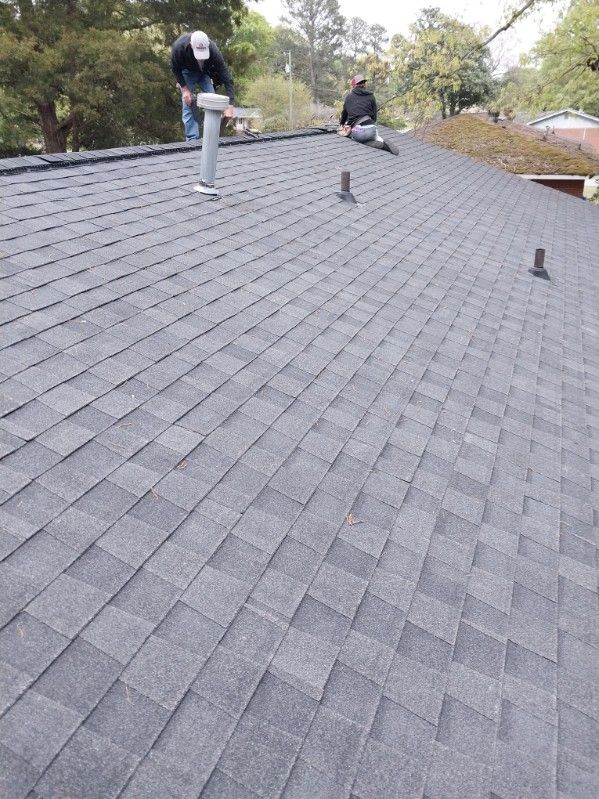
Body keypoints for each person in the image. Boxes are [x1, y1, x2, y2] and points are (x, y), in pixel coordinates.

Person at [171, 30, 236, 141]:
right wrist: (185, 89)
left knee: (213, 100)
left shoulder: (213, 49)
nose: (201, 57)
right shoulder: (179, 47)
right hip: (187, 72)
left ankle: (212, 136)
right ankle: (192, 140)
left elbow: (226, 77)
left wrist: (230, 104)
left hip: (204, 73)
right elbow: (175, 68)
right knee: (187, 102)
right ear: (191, 46)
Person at [340, 75, 399, 155]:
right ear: (364, 85)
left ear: (353, 85)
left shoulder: (349, 97)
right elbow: (374, 117)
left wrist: (342, 124)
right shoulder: (371, 96)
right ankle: (381, 141)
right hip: (372, 129)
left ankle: (374, 144)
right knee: (374, 137)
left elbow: (344, 114)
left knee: (354, 137)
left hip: (358, 131)